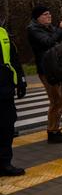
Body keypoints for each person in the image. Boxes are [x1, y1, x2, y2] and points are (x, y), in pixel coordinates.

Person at [26, 5, 62, 143]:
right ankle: (52, 132)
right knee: (56, 100)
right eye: (45, 14)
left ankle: (55, 129)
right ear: (37, 17)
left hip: (55, 68)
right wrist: (61, 29)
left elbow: (57, 42)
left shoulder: (48, 27)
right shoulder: (33, 29)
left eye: (50, 14)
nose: (49, 16)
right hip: (46, 70)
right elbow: (48, 42)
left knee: (61, 100)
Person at [0, 24, 27, 176]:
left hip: (5, 88)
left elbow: (13, 58)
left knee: (7, 126)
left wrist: (21, 80)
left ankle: (5, 163)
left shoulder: (2, 31)